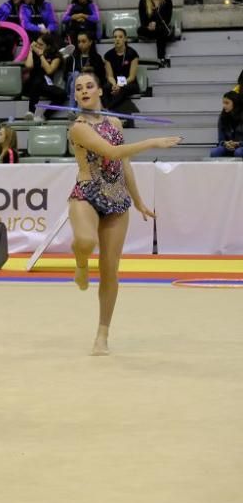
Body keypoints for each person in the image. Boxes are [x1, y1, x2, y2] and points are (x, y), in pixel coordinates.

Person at [67, 72, 182, 355]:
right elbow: (112, 152)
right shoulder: (78, 128)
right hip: (87, 194)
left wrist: (139, 201)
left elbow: (124, 165)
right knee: (85, 242)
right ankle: (81, 264)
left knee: (109, 270)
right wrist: (152, 143)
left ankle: (102, 334)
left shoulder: (115, 122)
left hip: (117, 200)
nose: (84, 91)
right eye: (78, 88)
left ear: (99, 92)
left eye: (89, 86)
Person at [137, 0, 175, 65]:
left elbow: (167, 19)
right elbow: (143, 20)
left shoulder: (167, 1)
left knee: (161, 31)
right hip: (148, 30)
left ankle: (161, 58)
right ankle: (161, 59)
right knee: (140, 30)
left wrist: (156, 24)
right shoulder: (142, 2)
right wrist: (149, 25)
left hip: (160, 29)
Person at [103, 28, 141, 115]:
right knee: (105, 87)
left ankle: (108, 109)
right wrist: (114, 84)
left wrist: (119, 85)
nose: (117, 39)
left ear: (125, 39)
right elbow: (110, 76)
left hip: (129, 83)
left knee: (122, 89)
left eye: (120, 37)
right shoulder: (108, 55)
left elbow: (132, 76)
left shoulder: (132, 54)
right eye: (115, 37)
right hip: (115, 83)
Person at [211, 91, 243, 158]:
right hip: (228, 147)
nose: (224, 106)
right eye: (223, 103)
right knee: (215, 152)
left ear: (235, 103)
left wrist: (238, 143)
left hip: (241, 146)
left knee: (239, 152)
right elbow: (220, 140)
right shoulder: (222, 117)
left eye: (227, 103)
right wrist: (226, 143)